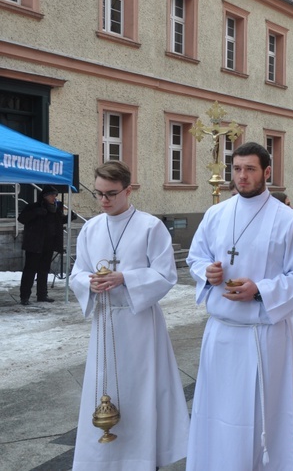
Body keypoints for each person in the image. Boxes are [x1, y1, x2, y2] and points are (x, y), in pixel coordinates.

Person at [186, 142, 293, 470]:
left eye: (250, 169)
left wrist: (260, 290)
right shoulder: (215, 214)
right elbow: (196, 256)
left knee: (261, 414)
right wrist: (207, 271)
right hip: (221, 333)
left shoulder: (288, 221)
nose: (242, 176)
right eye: (237, 169)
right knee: (216, 411)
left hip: (263, 336)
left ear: (267, 172)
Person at [69, 161, 189, 470]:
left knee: (141, 391)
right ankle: (103, 460)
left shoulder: (150, 226)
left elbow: (165, 275)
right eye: (99, 194)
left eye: (111, 193)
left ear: (128, 190)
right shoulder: (91, 228)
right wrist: (90, 283)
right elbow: (77, 274)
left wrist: (126, 278)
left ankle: (143, 458)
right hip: (105, 322)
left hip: (140, 323)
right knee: (103, 386)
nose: (104, 201)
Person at [18, 185, 74, 305]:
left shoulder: (55, 209)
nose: (55, 197)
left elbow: (59, 221)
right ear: (45, 196)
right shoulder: (34, 206)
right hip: (34, 244)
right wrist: (35, 213)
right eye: (52, 195)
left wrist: (69, 218)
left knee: (44, 270)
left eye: (55, 195)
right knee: (30, 270)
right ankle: (25, 296)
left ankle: (42, 295)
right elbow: (21, 219)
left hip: (48, 244)